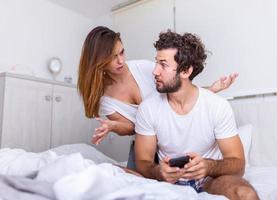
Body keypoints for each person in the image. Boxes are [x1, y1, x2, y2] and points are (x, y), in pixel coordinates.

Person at [77, 26, 238, 170]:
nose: (121, 60)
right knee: (123, 177)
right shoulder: (103, 99)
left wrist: (211, 89)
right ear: (99, 61)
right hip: (145, 141)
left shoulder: (144, 68)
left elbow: (179, 88)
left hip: (166, 139)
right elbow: (131, 127)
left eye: (122, 52)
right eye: (112, 57)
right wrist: (113, 126)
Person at [134, 30, 259, 200]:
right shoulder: (148, 108)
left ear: (185, 71)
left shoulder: (217, 106)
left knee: (246, 194)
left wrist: (208, 166)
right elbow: (142, 161)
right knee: (113, 174)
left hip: (208, 180)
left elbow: (238, 164)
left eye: (163, 64)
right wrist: (158, 171)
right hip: (166, 183)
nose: (155, 71)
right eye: (156, 63)